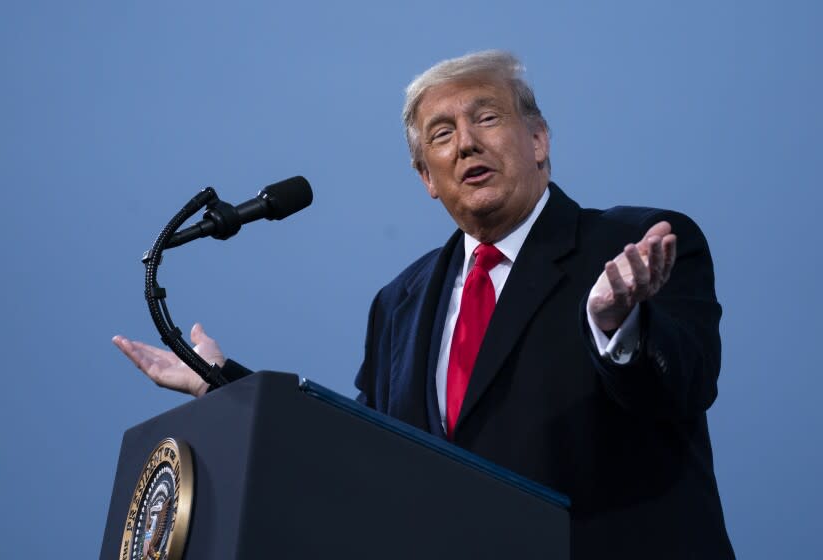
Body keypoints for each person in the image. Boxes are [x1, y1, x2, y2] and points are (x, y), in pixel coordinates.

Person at [114, 51, 734, 559]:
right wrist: (227, 390)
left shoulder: (637, 244)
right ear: (426, 178)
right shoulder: (399, 306)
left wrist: (619, 328)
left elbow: (684, 385)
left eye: (486, 119)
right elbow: (363, 452)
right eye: (442, 135)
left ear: (539, 140)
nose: (465, 144)